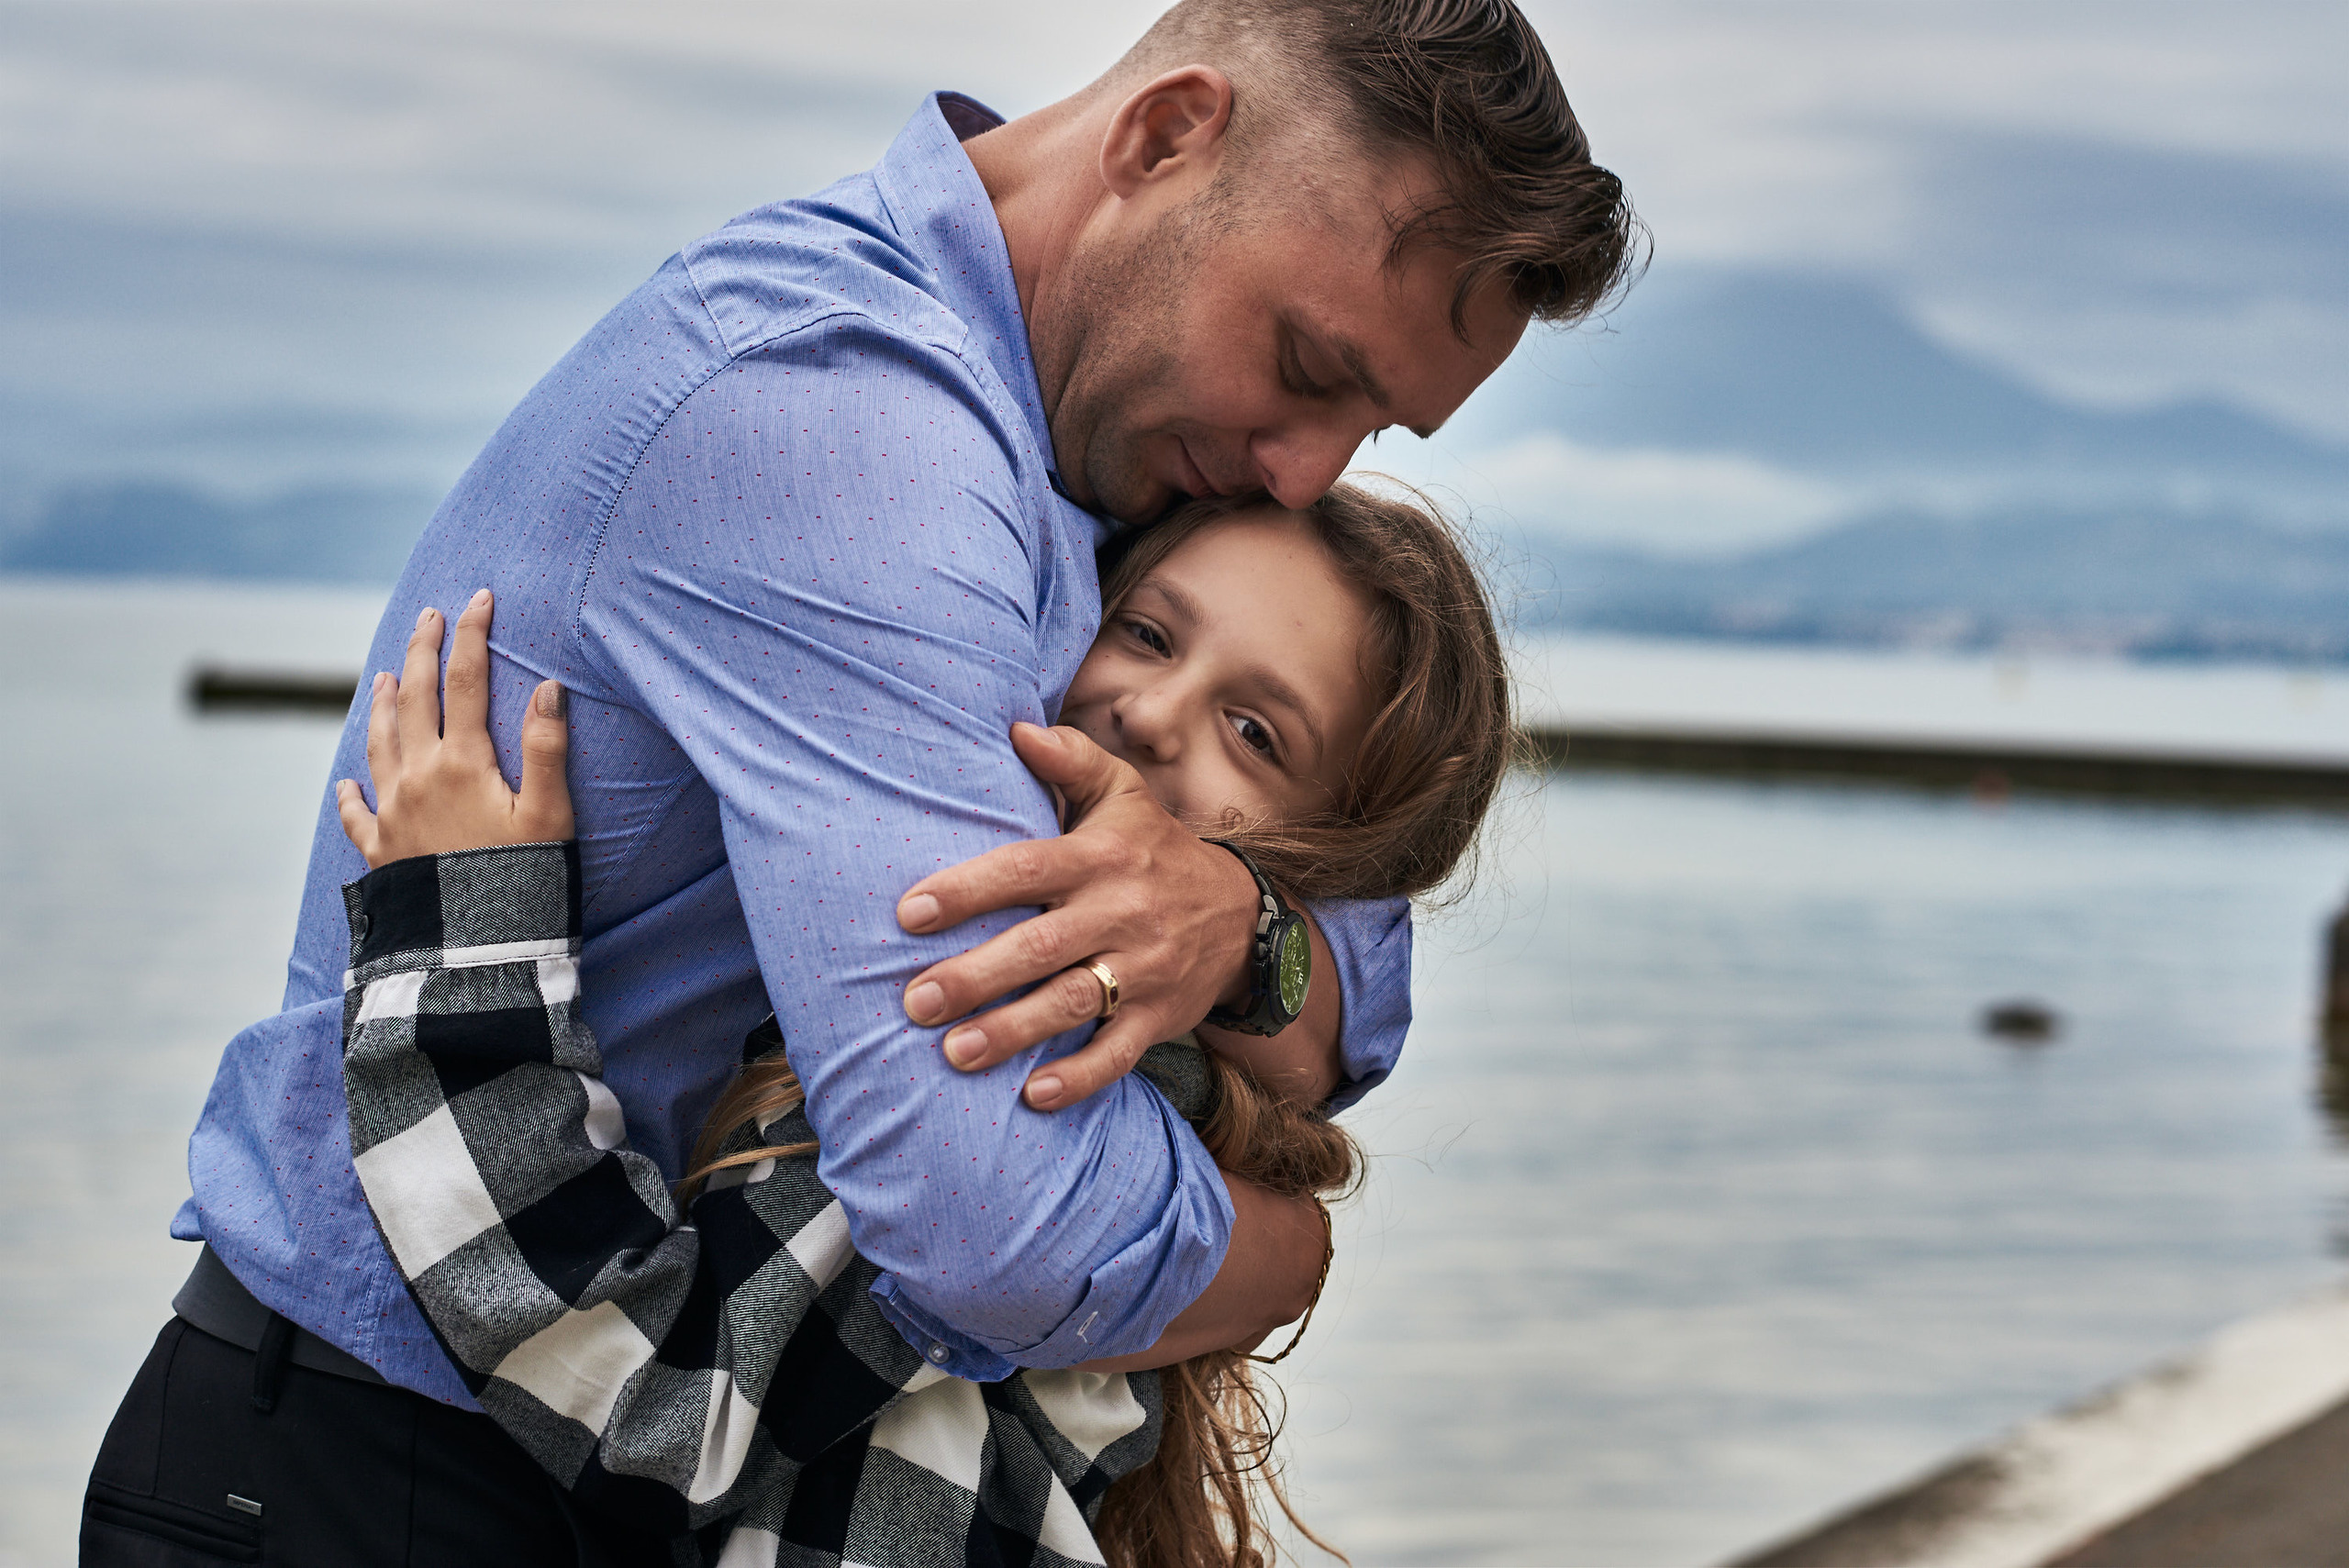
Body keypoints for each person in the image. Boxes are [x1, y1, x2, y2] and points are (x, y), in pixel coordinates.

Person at [83, 0, 1637, 1560]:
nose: (1310, 469)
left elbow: (1363, 935)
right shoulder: (860, 431)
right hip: (373, 1472)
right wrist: (1280, 1254)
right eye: (1308, 365)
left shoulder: (1100, 462)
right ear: (1167, 138)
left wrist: (1242, 923)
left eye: (1375, 422)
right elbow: (990, 1230)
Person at [330, 480, 1512, 1566]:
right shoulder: (1175, 1070)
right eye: (1147, 632)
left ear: (1325, 860)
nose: (1152, 713)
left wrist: (462, 933)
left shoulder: (1047, 1053)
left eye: (1256, 733)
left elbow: (645, 1400)